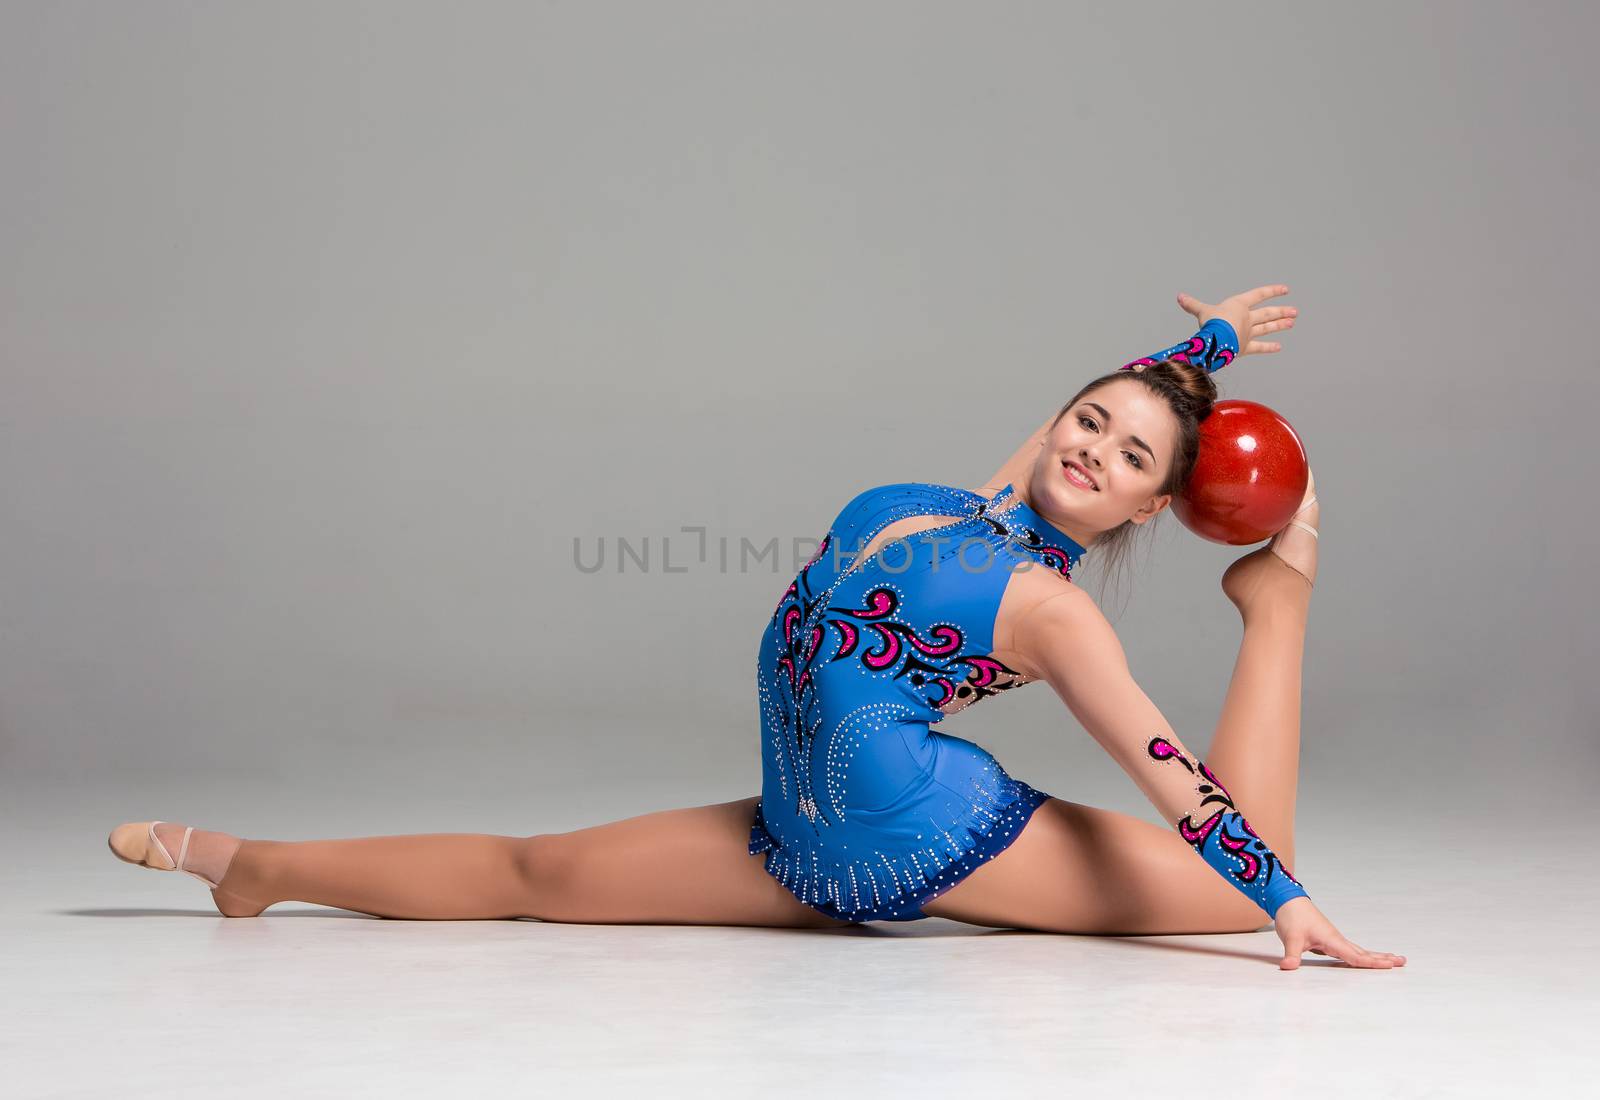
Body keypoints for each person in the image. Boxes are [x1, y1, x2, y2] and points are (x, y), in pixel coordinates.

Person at [109, 284, 1405, 972]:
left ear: (1149, 505)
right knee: (535, 876)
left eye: (1130, 459)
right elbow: (1107, 419)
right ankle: (258, 864)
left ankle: (1276, 604)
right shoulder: (976, 504)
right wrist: (1200, 350)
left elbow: (1168, 773)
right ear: (1058, 416)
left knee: (1235, 878)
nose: (1093, 450)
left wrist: (1284, 900)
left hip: (933, 842)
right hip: (800, 839)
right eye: (1087, 420)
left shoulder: (1055, 612)